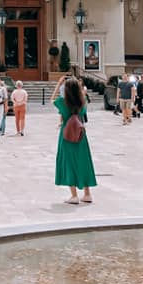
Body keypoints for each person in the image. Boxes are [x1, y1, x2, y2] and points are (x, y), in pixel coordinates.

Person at [54, 76, 96, 204]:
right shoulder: (83, 103)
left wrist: (58, 83)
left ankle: (74, 196)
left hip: (66, 136)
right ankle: (87, 194)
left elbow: (52, 99)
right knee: (83, 162)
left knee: (69, 163)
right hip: (80, 135)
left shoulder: (62, 102)